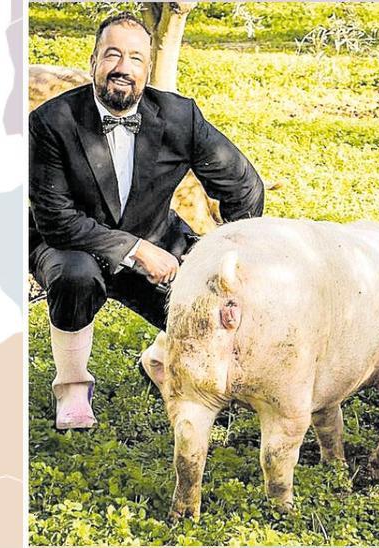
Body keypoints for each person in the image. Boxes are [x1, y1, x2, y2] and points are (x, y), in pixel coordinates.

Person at [28, 13, 265, 429]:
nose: (123, 67)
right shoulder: (51, 122)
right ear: (93, 61)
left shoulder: (179, 117)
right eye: (112, 55)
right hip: (68, 244)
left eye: (135, 58)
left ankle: (159, 359)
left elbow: (244, 186)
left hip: (157, 234)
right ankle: (72, 388)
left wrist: (229, 255)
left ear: (148, 69)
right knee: (75, 277)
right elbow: (55, 218)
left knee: (216, 296)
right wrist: (136, 251)